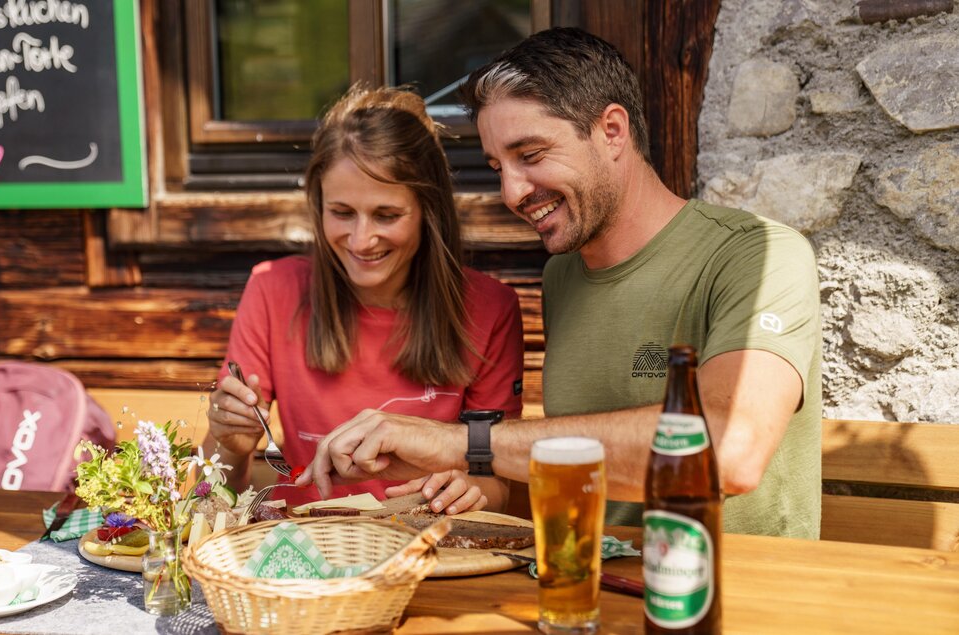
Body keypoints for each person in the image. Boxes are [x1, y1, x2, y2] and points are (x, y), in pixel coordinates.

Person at [298, 28, 822, 539]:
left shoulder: (757, 256)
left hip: (733, 601)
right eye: (497, 166)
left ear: (612, 131)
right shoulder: (564, 275)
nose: (512, 191)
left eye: (530, 155)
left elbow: (732, 449)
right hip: (590, 593)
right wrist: (458, 481)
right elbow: (570, 465)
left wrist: (464, 443)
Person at [206, 85, 525, 514]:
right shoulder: (272, 290)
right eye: (341, 213)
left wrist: (471, 488)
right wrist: (232, 444)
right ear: (317, 205)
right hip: (303, 554)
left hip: (424, 553)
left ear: (429, 211)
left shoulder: (490, 308)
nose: (361, 240)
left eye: (386, 215)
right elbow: (214, 491)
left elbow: (497, 486)